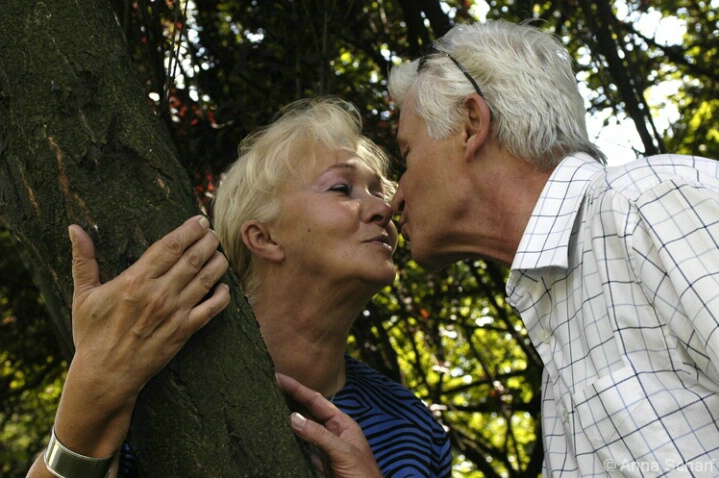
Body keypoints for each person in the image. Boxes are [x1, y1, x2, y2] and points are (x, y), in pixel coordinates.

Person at [280, 20, 719, 477]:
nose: (395, 198)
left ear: (471, 124)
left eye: (407, 156)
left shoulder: (645, 205)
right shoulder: (560, 350)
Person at [27, 97, 451, 478]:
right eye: (342, 188)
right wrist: (91, 390)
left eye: (380, 192)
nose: (383, 209)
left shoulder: (413, 427)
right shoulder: (160, 387)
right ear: (263, 238)